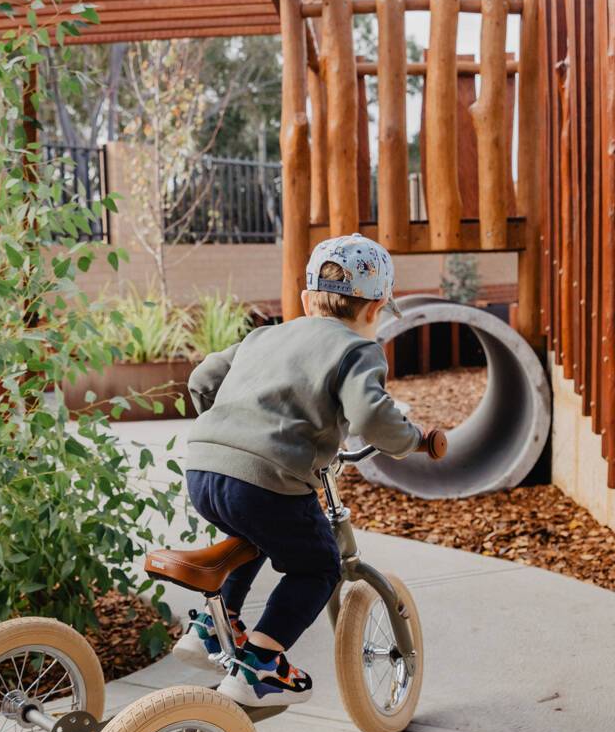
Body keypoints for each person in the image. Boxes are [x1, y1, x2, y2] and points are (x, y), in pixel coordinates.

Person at [173, 234, 429, 706]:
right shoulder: (357, 350)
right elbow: (373, 417)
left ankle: (213, 624)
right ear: (374, 311)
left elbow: (202, 378)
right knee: (316, 566)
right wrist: (412, 439)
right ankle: (262, 665)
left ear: (307, 300)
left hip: (204, 468)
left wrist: (228, 430)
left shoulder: (265, 334)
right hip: (265, 480)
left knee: (252, 539)